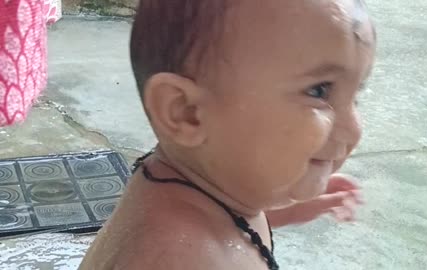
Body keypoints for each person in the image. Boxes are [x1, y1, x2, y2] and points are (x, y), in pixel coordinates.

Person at [79, 0, 376, 269]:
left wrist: (277, 214)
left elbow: (223, 229)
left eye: (356, 96)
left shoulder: (196, 188)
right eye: (319, 91)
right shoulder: (178, 257)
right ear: (187, 112)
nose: (354, 128)